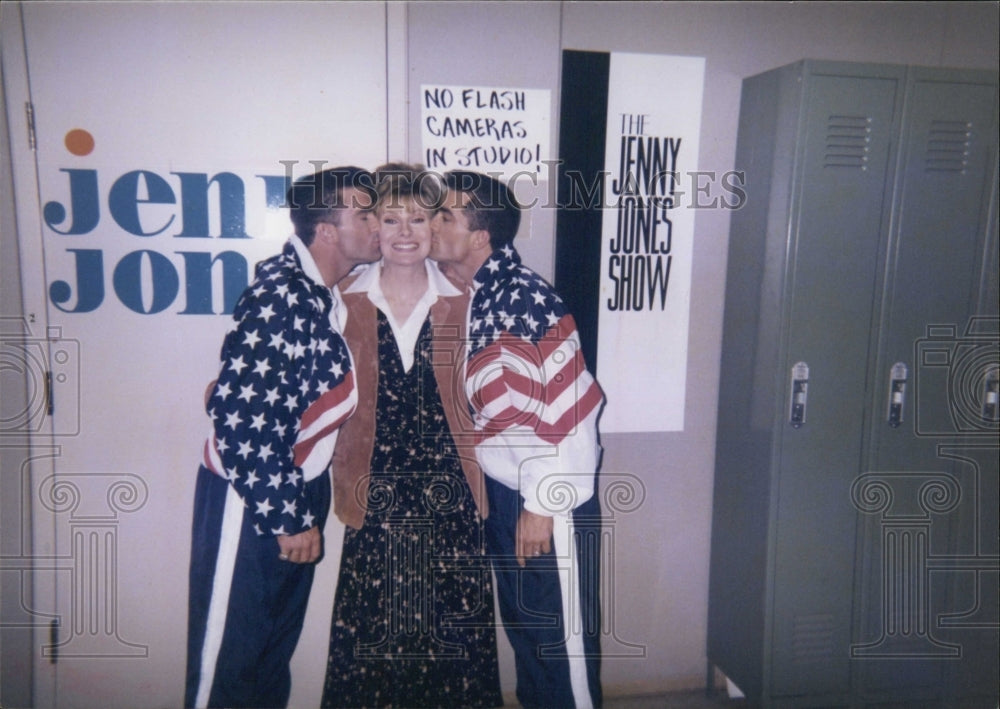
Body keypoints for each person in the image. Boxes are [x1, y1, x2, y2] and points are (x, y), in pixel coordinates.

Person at [185, 166, 380, 708]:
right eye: (363, 215)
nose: (376, 225)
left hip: (291, 486)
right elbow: (245, 418)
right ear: (325, 231)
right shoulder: (283, 296)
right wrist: (288, 516)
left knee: (267, 655)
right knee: (228, 662)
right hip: (254, 498)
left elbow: (249, 392)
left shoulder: (320, 292)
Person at [321, 164, 503, 708]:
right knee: (374, 642)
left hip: (450, 497)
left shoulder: (467, 300)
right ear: (373, 225)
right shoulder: (341, 299)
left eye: (419, 219)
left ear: (433, 227)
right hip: (374, 496)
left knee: (453, 642)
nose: (404, 232)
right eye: (390, 218)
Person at [430, 170, 605, 709]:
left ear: (480, 235)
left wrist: (542, 504)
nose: (431, 225)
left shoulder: (528, 300)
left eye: (445, 216)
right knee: (530, 643)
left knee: (561, 651)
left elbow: (576, 418)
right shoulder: (481, 294)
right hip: (510, 498)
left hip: (547, 503)